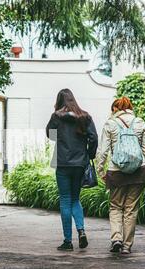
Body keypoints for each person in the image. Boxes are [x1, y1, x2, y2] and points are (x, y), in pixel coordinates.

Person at [97, 97, 145, 254]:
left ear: (115, 109)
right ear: (130, 107)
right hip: (139, 171)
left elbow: (103, 152)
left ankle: (116, 239)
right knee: (131, 209)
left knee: (115, 206)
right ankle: (127, 246)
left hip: (116, 172)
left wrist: (101, 172)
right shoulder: (140, 122)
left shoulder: (110, 123)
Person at [46, 89, 98, 251]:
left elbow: (50, 134)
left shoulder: (56, 117)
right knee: (75, 199)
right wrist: (89, 154)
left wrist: (60, 131)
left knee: (65, 200)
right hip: (80, 164)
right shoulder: (85, 117)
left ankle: (68, 241)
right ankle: (81, 231)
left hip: (63, 163)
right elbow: (94, 138)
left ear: (59, 101)